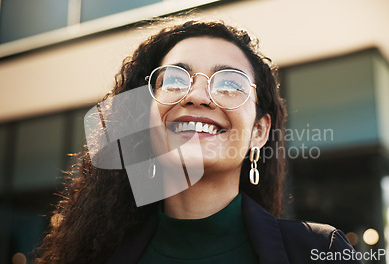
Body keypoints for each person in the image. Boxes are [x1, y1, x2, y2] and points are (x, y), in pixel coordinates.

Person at [36, 20, 362, 264]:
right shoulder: (94, 257)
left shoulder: (320, 250)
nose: (196, 95)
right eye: (175, 79)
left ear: (259, 132)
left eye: (230, 84)